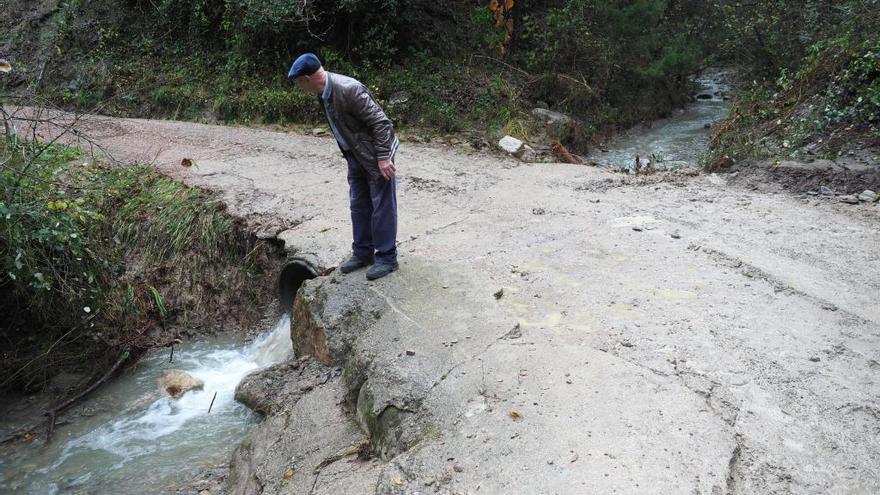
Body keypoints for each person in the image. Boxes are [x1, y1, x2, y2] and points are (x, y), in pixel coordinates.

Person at [288, 53, 399, 280]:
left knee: (382, 206)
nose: (299, 88)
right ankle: (362, 253)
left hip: (375, 156)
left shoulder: (349, 89)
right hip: (355, 156)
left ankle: (387, 257)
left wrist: (384, 157)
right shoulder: (324, 93)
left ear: (307, 79)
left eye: (298, 83)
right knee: (358, 205)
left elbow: (381, 123)